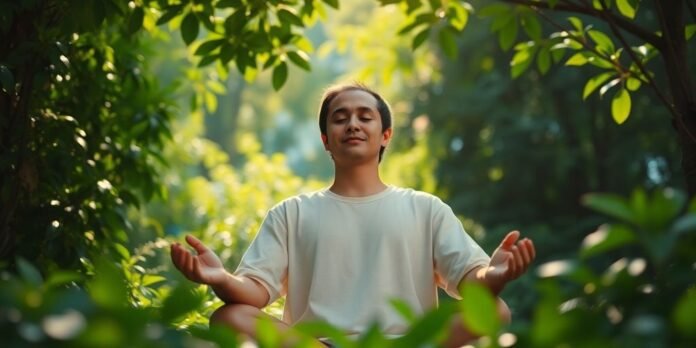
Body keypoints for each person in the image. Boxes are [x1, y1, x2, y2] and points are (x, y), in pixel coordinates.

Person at [171, 83, 536, 347]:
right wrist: (218, 278)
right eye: (340, 118)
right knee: (228, 315)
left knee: (495, 308)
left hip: (407, 343)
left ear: (385, 135)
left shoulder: (425, 208)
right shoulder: (292, 213)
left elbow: (472, 282)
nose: (353, 125)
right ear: (326, 139)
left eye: (365, 117)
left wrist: (496, 273)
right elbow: (254, 293)